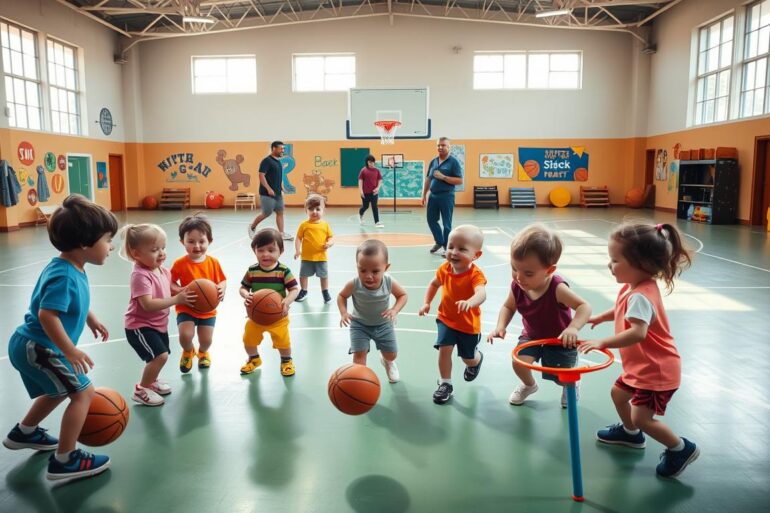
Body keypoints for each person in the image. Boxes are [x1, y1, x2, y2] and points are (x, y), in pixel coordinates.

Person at [3, 194, 117, 483]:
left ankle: (25, 432)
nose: (111, 246)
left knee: (56, 390)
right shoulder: (64, 274)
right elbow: (47, 315)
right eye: (107, 240)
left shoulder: (70, 266)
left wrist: (90, 318)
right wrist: (71, 350)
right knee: (83, 392)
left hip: (31, 345)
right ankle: (65, 459)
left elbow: (70, 301)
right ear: (84, 244)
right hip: (38, 347)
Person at [578, 222, 699, 478]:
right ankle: (630, 434)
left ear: (641, 264)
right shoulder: (632, 288)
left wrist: (603, 342)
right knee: (618, 394)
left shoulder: (641, 296)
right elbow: (623, 309)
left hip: (657, 372)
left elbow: (638, 332)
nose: (609, 265)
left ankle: (680, 448)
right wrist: (602, 317)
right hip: (642, 368)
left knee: (643, 417)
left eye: (615, 260)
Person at [487, 225, 591, 407]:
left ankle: (571, 386)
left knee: (560, 377)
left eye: (528, 273)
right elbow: (508, 307)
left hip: (560, 340)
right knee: (518, 363)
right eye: (514, 268)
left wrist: (573, 328)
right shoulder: (517, 286)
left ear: (549, 270)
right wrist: (500, 326)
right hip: (532, 335)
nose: (519, 277)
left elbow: (584, 306)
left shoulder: (558, 288)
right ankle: (529, 385)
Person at [122, 224, 196, 406]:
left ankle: (152, 382)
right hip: (139, 326)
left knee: (161, 355)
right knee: (159, 356)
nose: (162, 253)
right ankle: (141, 389)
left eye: (163, 248)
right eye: (155, 250)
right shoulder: (140, 276)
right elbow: (147, 305)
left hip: (157, 324)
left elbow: (171, 288)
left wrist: (185, 290)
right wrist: (177, 299)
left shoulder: (162, 270)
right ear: (136, 254)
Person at [418, 225, 486, 404]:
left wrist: (470, 302)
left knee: (468, 358)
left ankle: (477, 360)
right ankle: (445, 384)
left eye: (462, 249)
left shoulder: (475, 275)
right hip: (446, 318)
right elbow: (434, 284)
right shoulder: (445, 269)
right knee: (444, 350)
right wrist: (427, 302)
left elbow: (481, 293)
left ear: (476, 255)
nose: (454, 252)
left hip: (468, 325)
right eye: (450, 247)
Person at [338, 240, 408, 383]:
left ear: (386, 267)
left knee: (391, 354)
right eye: (362, 270)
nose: (368, 276)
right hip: (359, 325)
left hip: (383, 324)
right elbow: (341, 296)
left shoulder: (388, 282)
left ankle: (387, 362)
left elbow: (403, 295)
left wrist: (394, 310)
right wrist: (344, 313)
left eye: (375, 271)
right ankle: (360, 380)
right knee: (359, 357)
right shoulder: (354, 283)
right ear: (357, 267)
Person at [170, 214, 227, 373]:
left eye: (201, 241)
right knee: (185, 336)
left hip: (208, 308)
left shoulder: (213, 262)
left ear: (210, 241)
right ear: (182, 242)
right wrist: (179, 290)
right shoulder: (179, 264)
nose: (197, 246)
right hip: (186, 306)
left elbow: (222, 280)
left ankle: (203, 352)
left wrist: (222, 288)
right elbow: (170, 283)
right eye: (191, 241)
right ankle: (188, 351)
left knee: (206, 340)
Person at [240, 228, 300, 377]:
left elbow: (294, 289)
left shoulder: (283, 271)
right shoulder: (252, 270)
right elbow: (243, 287)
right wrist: (246, 295)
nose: (265, 254)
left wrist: (286, 301)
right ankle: (254, 359)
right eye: (260, 250)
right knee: (248, 339)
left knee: (283, 342)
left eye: (271, 250)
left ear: (281, 251)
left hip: (278, 316)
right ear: (254, 251)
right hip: (255, 316)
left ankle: (286, 361)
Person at [421, 137, 462, 257]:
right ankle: (439, 241)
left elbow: (459, 180)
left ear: (449, 147)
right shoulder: (433, 161)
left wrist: (443, 177)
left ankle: (447, 248)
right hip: (433, 196)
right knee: (431, 220)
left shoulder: (453, 162)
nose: (440, 147)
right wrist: (424, 194)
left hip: (447, 196)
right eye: (438, 145)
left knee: (447, 224)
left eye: (443, 145)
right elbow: (428, 179)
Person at [248, 141, 293, 241]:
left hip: (277, 193)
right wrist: (268, 188)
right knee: (266, 213)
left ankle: (281, 233)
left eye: (283, 149)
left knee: (280, 212)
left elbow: (277, 177)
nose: (283, 150)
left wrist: (281, 187)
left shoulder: (278, 162)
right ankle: (252, 227)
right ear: (274, 148)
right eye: (281, 148)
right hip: (267, 193)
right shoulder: (266, 161)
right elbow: (261, 175)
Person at [294, 194, 334, 303]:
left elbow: (331, 238)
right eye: (311, 209)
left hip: (321, 257)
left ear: (323, 210)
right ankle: (304, 290)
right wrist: (298, 250)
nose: (314, 211)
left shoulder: (325, 225)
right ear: (306, 210)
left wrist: (329, 243)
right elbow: (298, 238)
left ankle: (325, 291)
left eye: (318, 209)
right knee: (303, 275)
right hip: (306, 257)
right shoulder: (304, 225)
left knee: (324, 276)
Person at [358, 155, 384, 228]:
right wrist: (361, 191)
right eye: (370, 162)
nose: (372, 164)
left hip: (374, 193)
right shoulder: (363, 170)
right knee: (365, 207)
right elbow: (360, 181)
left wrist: (378, 188)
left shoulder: (377, 170)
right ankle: (360, 214)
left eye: (373, 162)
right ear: (367, 162)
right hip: (365, 193)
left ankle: (377, 222)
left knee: (374, 206)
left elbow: (380, 180)